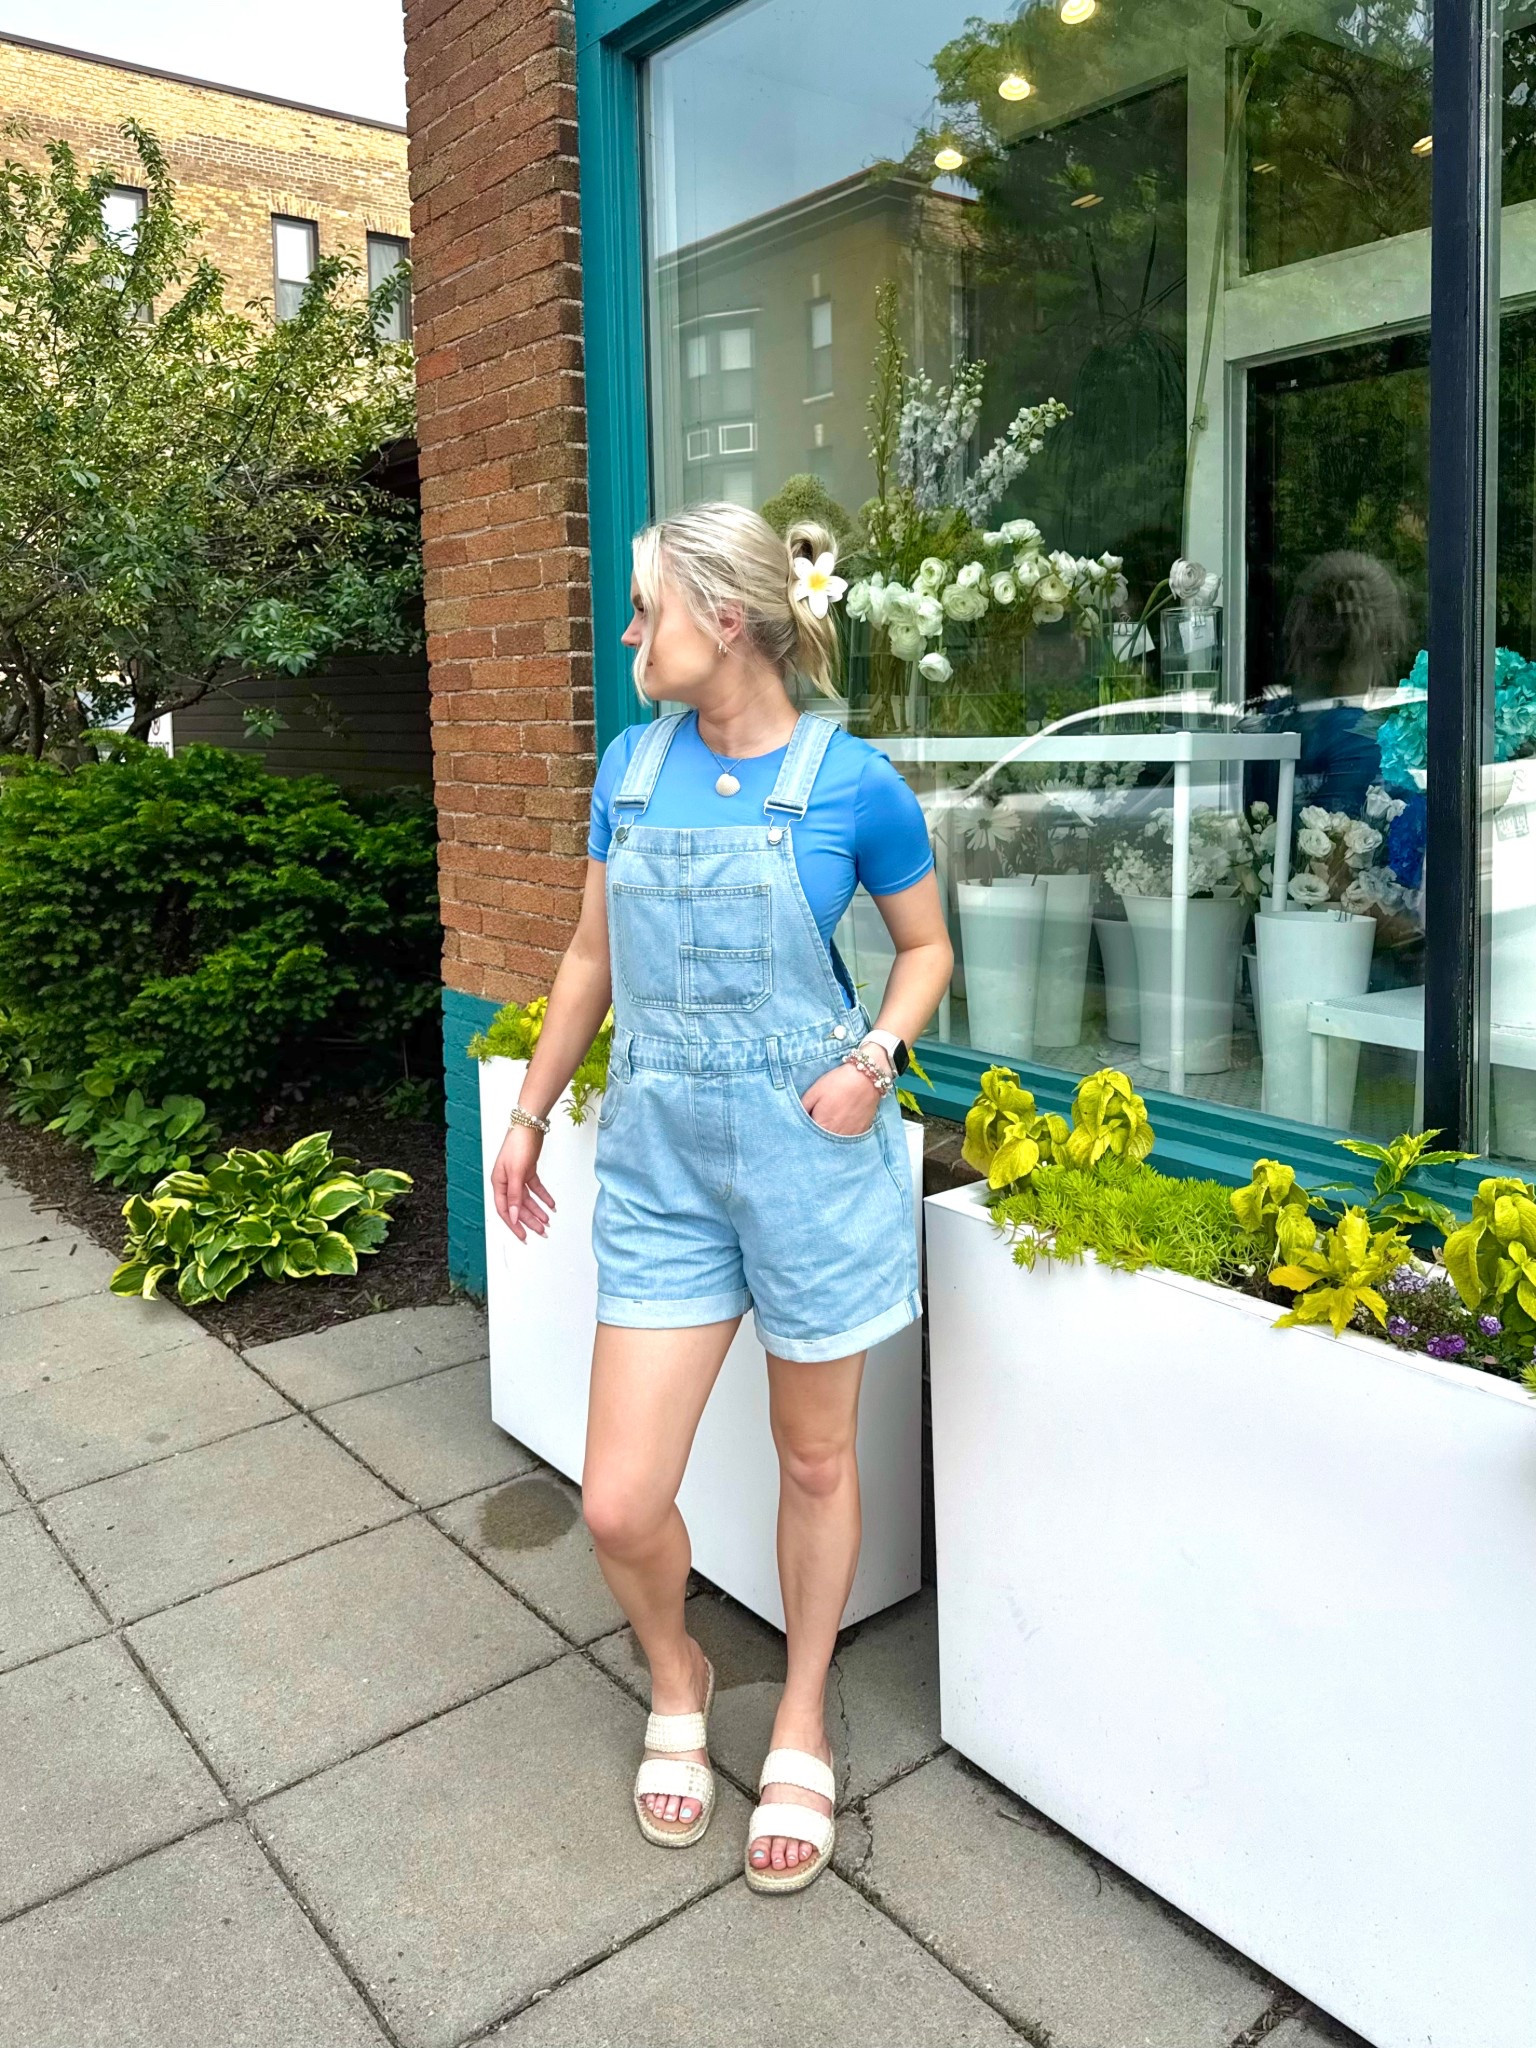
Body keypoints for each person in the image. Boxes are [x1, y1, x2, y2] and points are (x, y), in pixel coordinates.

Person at [488, 502, 953, 1894]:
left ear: (726, 621)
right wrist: (525, 1112)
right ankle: (679, 1670)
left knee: (816, 1462)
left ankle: (803, 1710)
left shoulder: (852, 783)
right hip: (667, 1168)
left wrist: (876, 1057)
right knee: (622, 1504)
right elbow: (588, 958)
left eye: (648, 613)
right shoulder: (629, 771)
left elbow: (925, 948)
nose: (630, 636)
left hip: (812, 1165)